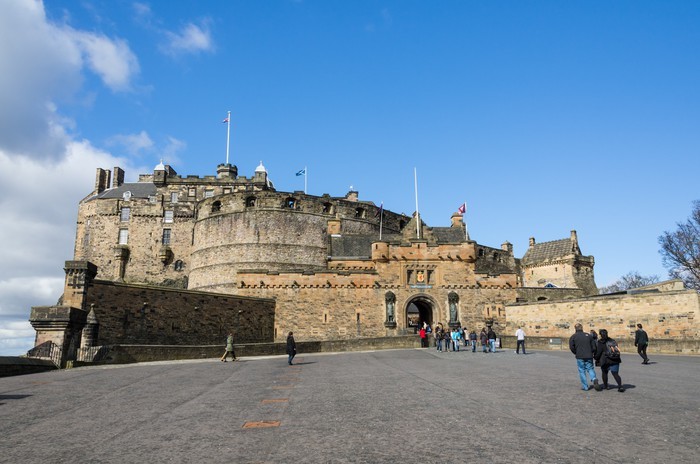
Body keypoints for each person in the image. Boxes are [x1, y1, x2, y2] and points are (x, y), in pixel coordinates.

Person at [569, 323, 602, 391]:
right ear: (582, 328)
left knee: (582, 371)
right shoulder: (589, 336)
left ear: (575, 329)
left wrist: (576, 352)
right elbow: (594, 347)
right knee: (590, 368)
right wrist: (591, 352)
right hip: (589, 355)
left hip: (580, 356)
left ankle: (585, 387)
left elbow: (572, 347)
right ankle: (594, 378)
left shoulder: (573, 337)